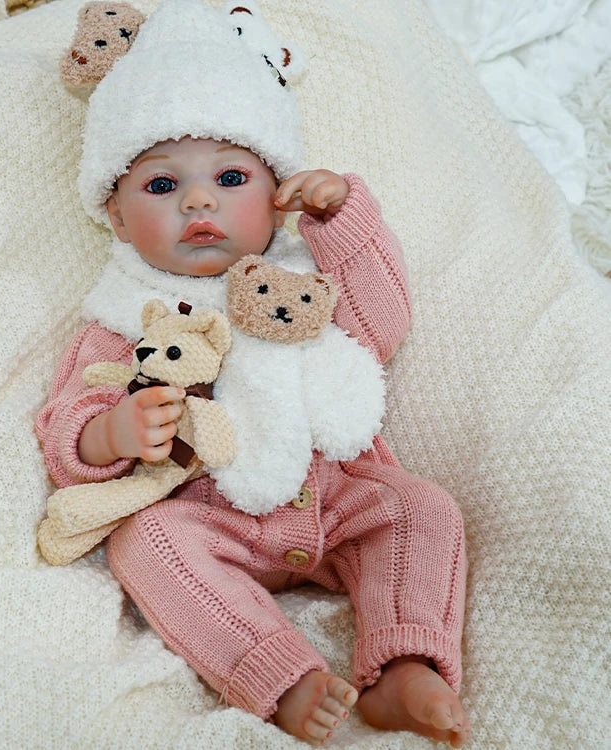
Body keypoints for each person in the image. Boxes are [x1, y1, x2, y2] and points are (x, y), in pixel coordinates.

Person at [36, 1, 470, 746]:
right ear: (113, 214)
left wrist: (341, 224)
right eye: (162, 186)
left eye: (231, 177)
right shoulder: (123, 315)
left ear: (277, 189)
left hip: (335, 491)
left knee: (422, 511)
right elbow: (67, 421)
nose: (200, 200)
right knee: (146, 543)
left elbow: (380, 328)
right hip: (212, 512)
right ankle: (282, 675)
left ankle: (402, 663)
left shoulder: (306, 270)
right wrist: (112, 432)